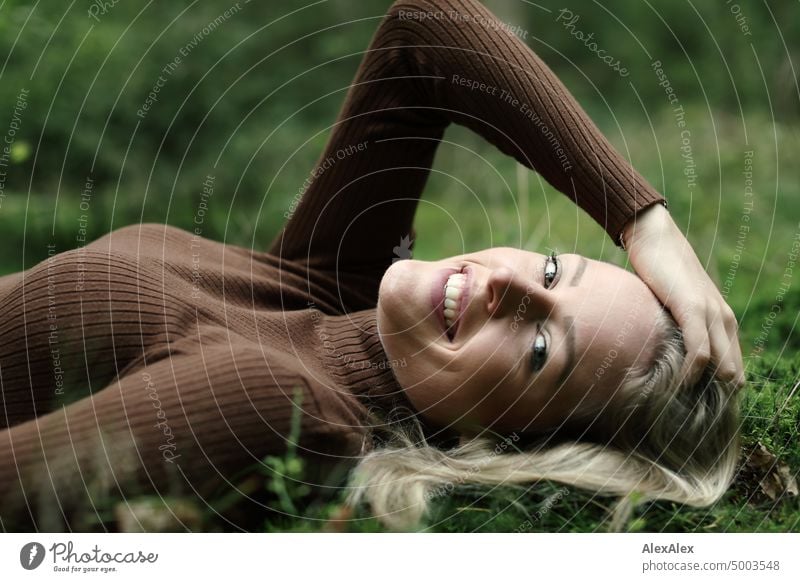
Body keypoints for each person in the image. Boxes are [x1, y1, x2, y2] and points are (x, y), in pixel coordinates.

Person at [0, 0, 742, 532]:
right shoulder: (333, 290)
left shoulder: (286, 405)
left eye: (540, 348)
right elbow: (422, 32)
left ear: (507, 442)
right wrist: (644, 223)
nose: (506, 286)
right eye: (551, 272)